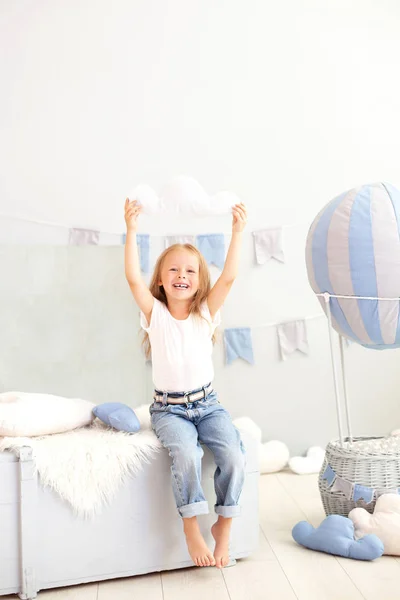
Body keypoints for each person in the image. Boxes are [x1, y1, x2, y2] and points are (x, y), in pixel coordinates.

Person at [124, 197, 248, 569]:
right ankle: (191, 524)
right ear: (161, 280)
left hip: (208, 405)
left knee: (233, 455)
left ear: (199, 281)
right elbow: (132, 277)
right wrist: (132, 230)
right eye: (173, 270)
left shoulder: (206, 313)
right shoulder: (155, 314)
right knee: (186, 454)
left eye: (190, 271)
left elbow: (229, 277)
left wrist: (237, 232)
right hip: (169, 410)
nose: (182, 275)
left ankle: (224, 524)